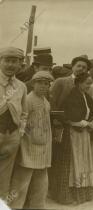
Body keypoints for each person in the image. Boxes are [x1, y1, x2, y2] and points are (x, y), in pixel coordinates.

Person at [49, 55, 91, 204]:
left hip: (76, 128)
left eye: (84, 68)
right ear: (73, 66)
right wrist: (56, 122)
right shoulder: (61, 82)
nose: (81, 69)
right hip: (60, 126)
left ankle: (74, 191)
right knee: (60, 161)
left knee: (73, 162)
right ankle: (58, 193)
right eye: (79, 66)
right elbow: (52, 103)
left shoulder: (85, 85)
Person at [9, 71, 54, 209]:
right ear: (33, 84)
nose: (43, 86)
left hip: (43, 146)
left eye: (46, 84)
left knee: (41, 180)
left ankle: (37, 205)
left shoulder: (45, 101)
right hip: (29, 145)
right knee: (22, 179)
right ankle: (14, 206)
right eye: (40, 83)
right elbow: (22, 120)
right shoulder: (28, 99)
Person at [63, 72, 93, 204]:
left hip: (84, 134)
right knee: (76, 161)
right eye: (87, 83)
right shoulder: (72, 97)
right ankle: (74, 191)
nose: (89, 85)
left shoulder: (87, 97)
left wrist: (92, 123)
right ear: (79, 83)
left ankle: (84, 189)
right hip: (74, 133)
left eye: (90, 83)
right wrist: (87, 123)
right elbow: (71, 118)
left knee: (84, 160)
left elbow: (91, 114)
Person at [0, 47, 28, 200]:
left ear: (20, 64)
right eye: (7, 61)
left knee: (5, 174)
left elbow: (24, 112)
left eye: (14, 61)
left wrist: (20, 132)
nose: (10, 65)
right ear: (0, 61)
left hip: (12, 136)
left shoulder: (21, 86)